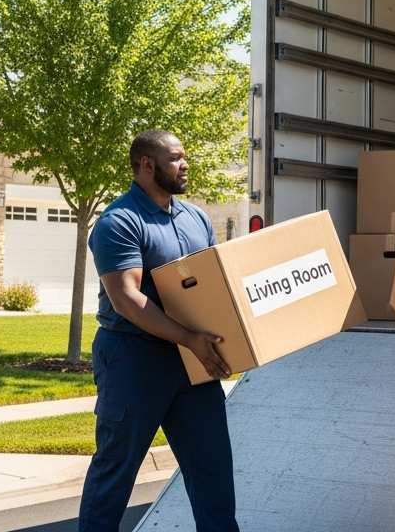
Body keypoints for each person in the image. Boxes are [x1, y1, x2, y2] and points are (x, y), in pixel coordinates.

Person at [78, 129, 239, 532]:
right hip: (134, 359)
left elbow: (212, 287)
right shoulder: (119, 221)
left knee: (212, 468)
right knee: (116, 471)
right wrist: (190, 338)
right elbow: (126, 299)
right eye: (175, 158)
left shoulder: (196, 217)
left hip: (191, 361)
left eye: (184, 157)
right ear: (147, 165)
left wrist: (227, 344)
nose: (185, 165)